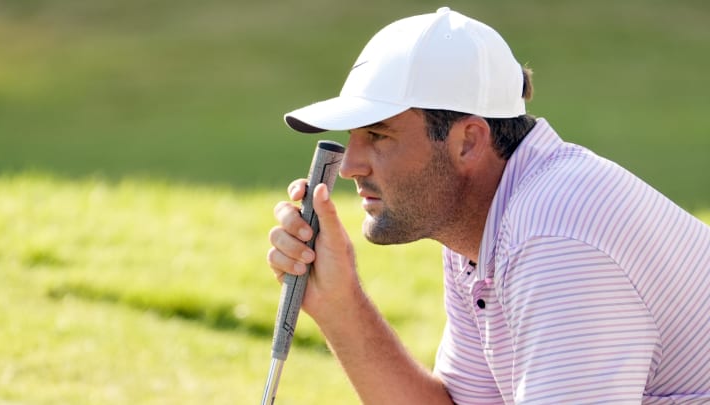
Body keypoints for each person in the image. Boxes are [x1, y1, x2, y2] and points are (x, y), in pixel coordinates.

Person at [267, 7, 710, 404]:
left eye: (379, 135)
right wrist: (338, 303)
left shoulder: (555, 239)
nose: (350, 166)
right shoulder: (482, 231)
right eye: (353, 137)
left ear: (469, 141)